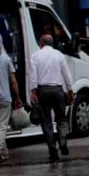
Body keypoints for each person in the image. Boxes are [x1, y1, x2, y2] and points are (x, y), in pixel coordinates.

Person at [30, 33, 74, 162]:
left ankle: (52, 151)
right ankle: (63, 142)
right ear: (52, 43)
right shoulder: (59, 55)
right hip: (58, 90)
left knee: (47, 122)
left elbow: (33, 75)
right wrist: (70, 90)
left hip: (42, 91)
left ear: (41, 43)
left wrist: (33, 92)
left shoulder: (36, 55)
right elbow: (66, 74)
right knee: (61, 118)